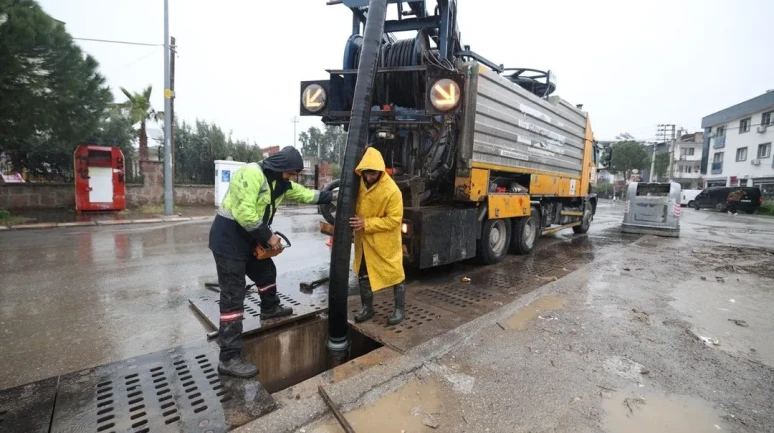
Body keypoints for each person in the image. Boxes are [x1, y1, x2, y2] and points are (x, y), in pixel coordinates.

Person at [208, 146, 336, 378]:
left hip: (250, 237)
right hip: (229, 239)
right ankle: (229, 357)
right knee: (233, 296)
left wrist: (333, 196)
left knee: (266, 271)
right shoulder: (250, 174)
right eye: (291, 173)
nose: (292, 178)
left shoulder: (280, 183)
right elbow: (244, 213)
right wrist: (268, 236)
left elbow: (305, 195)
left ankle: (270, 308)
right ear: (280, 167)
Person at [349, 147, 406, 325]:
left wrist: (367, 223)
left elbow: (394, 220)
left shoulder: (392, 191)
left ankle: (399, 310)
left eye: (372, 174)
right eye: (366, 173)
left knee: (395, 274)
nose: (368, 177)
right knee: (363, 273)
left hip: (384, 242)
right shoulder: (358, 183)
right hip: (364, 241)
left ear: (380, 171)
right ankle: (367, 308)